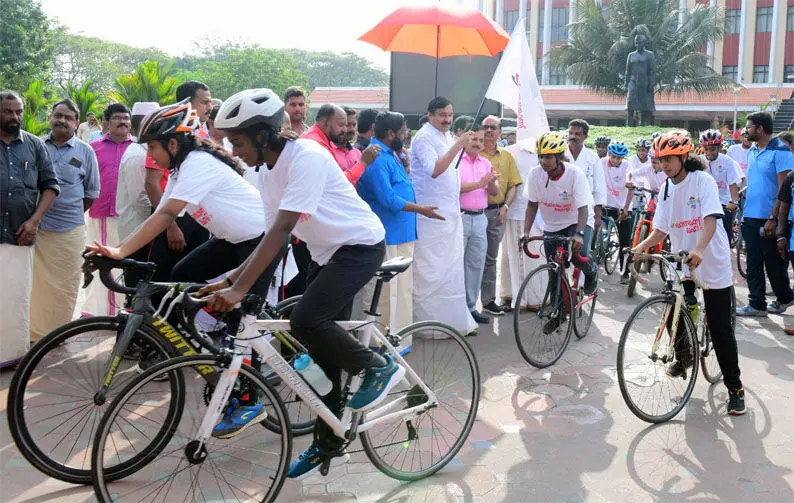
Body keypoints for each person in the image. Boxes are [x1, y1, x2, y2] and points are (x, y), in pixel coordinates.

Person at [206, 87, 404, 478]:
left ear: (263, 134)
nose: (233, 150)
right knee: (325, 364)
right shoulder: (263, 172)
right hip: (325, 253)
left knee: (306, 321)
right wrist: (230, 280)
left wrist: (239, 289)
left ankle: (377, 366)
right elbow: (269, 239)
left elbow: (283, 230)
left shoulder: (306, 158)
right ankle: (328, 442)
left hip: (360, 246)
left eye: (238, 141)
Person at [86, 101, 277, 296]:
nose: (150, 156)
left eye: (152, 147)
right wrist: (115, 250)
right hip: (233, 240)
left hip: (262, 239)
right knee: (182, 274)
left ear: (173, 145)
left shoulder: (197, 163)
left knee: (245, 311)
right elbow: (160, 214)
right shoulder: (180, 169)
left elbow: (168, 214)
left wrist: (120, 252)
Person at [631, 130, 745, 415]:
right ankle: (684, 358)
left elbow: (709, 219)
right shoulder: (667, 188)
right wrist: (640, 248)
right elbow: (661, 228)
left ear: (684, 156)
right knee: (676, 313)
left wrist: (701, 249)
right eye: (661, 159)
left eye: (670, 158)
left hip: (710, 259)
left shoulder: (702, 180)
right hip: (682, 259)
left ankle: (735, 388)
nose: (665, 164)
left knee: (720, 330)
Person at [356, 111, 444, 331]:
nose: (407, 135)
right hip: (387, 235)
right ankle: (376, 343)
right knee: (383, 294)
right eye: (404, 131)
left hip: (402, 232)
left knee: (402, 290)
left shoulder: (391, 154)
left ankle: (398, 339)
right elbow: (388, 199)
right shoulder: (375, 157)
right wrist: (421, 209)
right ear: (390, 133)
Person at [30, 100, 99, 343]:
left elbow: (91, 192)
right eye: (58, 115)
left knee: (65, 285)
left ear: (76, 122)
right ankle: (32, 334)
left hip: (69, 229)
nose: (62, 120)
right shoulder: (36, 146)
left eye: (68, 117)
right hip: (34, 229)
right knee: (35, 284)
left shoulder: (85, 151)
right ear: (51, 117)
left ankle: (55, 336)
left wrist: (70, 212)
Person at [0, 90, 59, 368]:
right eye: (8, 111)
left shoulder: (35, 145)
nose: (15, 117)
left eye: (19, 111)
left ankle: (12, 355)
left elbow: (50, 186)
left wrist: (34, 221)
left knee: (16, 297)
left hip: (20, 233)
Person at [410, 96, 477, 335]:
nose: (447, 120)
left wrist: (455, 144)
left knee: (451, 270)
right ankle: (428, 327)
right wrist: (458, 145)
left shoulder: (447, 136)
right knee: (430, 271)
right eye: (442, 115)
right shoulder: (423, 138)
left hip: (450, 214)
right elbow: (435, 170)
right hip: (430, 216)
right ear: (430, 115)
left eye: (450, 115)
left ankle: (454, 322)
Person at [523, 131, 596, 333]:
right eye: (540, 156)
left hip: (576, 220)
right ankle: (560, 311)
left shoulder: (574, 174)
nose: (542, 161)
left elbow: (582, 208)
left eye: (547, 157)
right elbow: (531, 205)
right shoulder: (535, 174)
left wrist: (579, 234)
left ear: (559, 156)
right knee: (555, 268)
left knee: (577, 256)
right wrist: (526, 232)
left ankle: (591, 272)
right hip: (552, 226)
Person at [736, 112, 794, 317]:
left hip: (771, 218)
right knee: (752, 261)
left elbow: (784, 189)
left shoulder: (781, 151)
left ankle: (785, 297)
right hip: (751, 216)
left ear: (760, 128)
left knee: (773, 263)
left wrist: (773, 218)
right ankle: (757, 304)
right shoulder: (752, 150)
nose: (746, 130)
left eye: (749, 126)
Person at [86, 103, 134, 316]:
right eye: (117, 118)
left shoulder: (138, 148)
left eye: (126, 117)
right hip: (103, 213)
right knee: (102, 262)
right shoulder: (94, 147)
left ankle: (124, 308)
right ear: (105, 122)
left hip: (131, 215)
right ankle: (102, 312)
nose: (122, 121)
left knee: (127, 263)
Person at [479, 115, 523, 315]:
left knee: (490, 258)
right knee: (470, 258)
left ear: (499, 132)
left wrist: (505, 206)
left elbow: (513, 185)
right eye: (485, 127)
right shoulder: (472, 153)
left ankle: (488, 300)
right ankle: (467, 303)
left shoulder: (506, 157)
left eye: (492, 127)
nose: (488, 131)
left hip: (497, 213)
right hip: (474, 213)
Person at [459, 126, 499, 324]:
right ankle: (456, 307)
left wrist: (490, 183)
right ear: (465, 138)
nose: (477, 143)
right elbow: (455, 188)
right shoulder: (456, 161)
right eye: (473, 139)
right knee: (457, 263)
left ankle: (470, 307)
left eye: (480, 140)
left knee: (476, 264)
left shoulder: (486, 162)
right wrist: (481, 182)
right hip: (461, 217)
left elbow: (494, 192)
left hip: (480, 217)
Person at [502, 139, 544, 310]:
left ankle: (537, 298)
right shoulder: (510, 151)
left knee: (538, 257)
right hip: (518, 212)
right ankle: (514, 297)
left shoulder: (551, 150)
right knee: (512, 256)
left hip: (545, 214)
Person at [301, 104, 378, 184]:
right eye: (341, 125)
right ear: (325, 123)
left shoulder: (321, 141)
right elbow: (337, 182)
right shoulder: (316, 144)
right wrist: (363, 163)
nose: (345, 130)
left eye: (353, 125)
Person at [117, 102, 158, 243]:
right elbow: (140, 199)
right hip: (137, 226)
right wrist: (160, 220)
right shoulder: (137, 155)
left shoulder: (144, 150)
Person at [568, 119, 607, 247]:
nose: (573, 137)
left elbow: (599, 187)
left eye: (577, 134)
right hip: (562, 209)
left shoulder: (593, 158)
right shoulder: (560, 155)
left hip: (586, 210)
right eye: (571, 133)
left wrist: (598, 215)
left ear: (585, 137)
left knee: (581, 252)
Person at [698, 129, 743, 240]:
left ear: (719, 148)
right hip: (704, 202)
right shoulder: (699, 161)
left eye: (712, 149)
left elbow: (732, 183)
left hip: (724, 202)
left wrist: (734, 202)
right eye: (706, 149)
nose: (709, 153)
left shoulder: (727, 161)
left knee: (725, 232)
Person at [601, 141, 635, 283]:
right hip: (604, 205)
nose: (615, 160)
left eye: (619, 158)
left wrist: (626, 209)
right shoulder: (601, 162)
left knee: (624, 240)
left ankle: (625, 271)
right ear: (609, 154)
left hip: (621, 206)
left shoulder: (628, 166)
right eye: (613, 157)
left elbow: (630, 189)